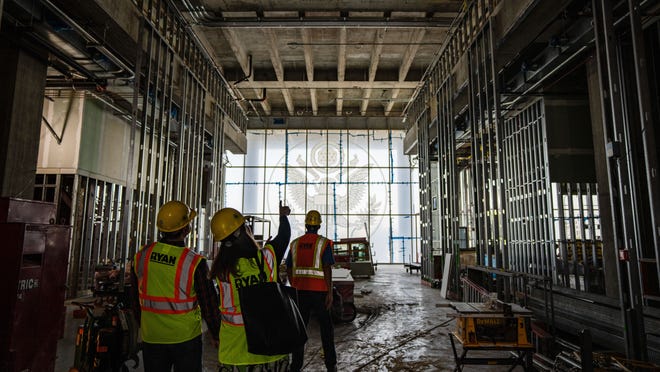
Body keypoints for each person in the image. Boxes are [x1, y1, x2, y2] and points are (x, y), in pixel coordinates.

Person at [131, 200, 220, 372]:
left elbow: (135, 298)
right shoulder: (194, 262)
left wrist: (143, 326)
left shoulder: (142, 256)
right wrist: (216, 334)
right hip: (185, 338)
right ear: (186, 230)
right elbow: (209, 304)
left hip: (152, 337)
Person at [209, 201, 291, 371]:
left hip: (234, 352)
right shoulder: (266, 258)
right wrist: (283, 217)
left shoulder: (221, 271)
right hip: (272, 347)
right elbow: (284, 236)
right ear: (243, 231)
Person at [287, 210, 337, 372]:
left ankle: (296, 365)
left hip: (300, 291)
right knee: (326, 329)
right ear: (319, 225)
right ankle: (331, 365)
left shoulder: (295, 244)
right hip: (320, 292)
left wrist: (294, 284)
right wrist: (329, 292)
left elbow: (288, 267)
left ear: (306, 224)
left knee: (299, 330)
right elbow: (327, 268)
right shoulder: (324, 243)